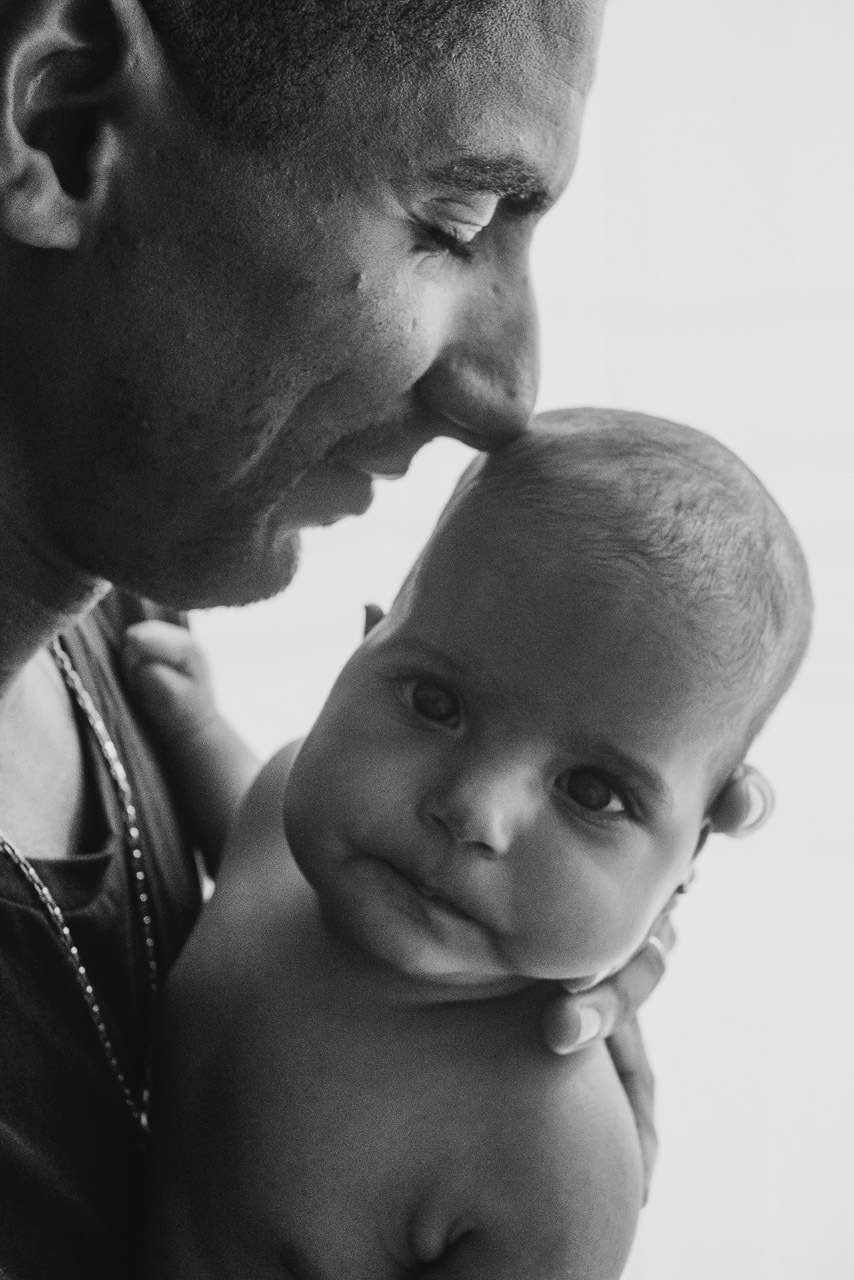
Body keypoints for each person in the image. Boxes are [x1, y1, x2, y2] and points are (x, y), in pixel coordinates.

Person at [0, 2, 718, 1275]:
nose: (509, 398)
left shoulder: (123, 604)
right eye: (454, 225)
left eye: (595, 787)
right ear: (62, 128)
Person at [125, 409, 812, 1279]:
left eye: (593, 792)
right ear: (365, 643)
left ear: (691, 861)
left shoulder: (549, 1161)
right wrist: (193, 730)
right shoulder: (296, 815)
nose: (473, 811)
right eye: (434, 703)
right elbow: (246, 844)